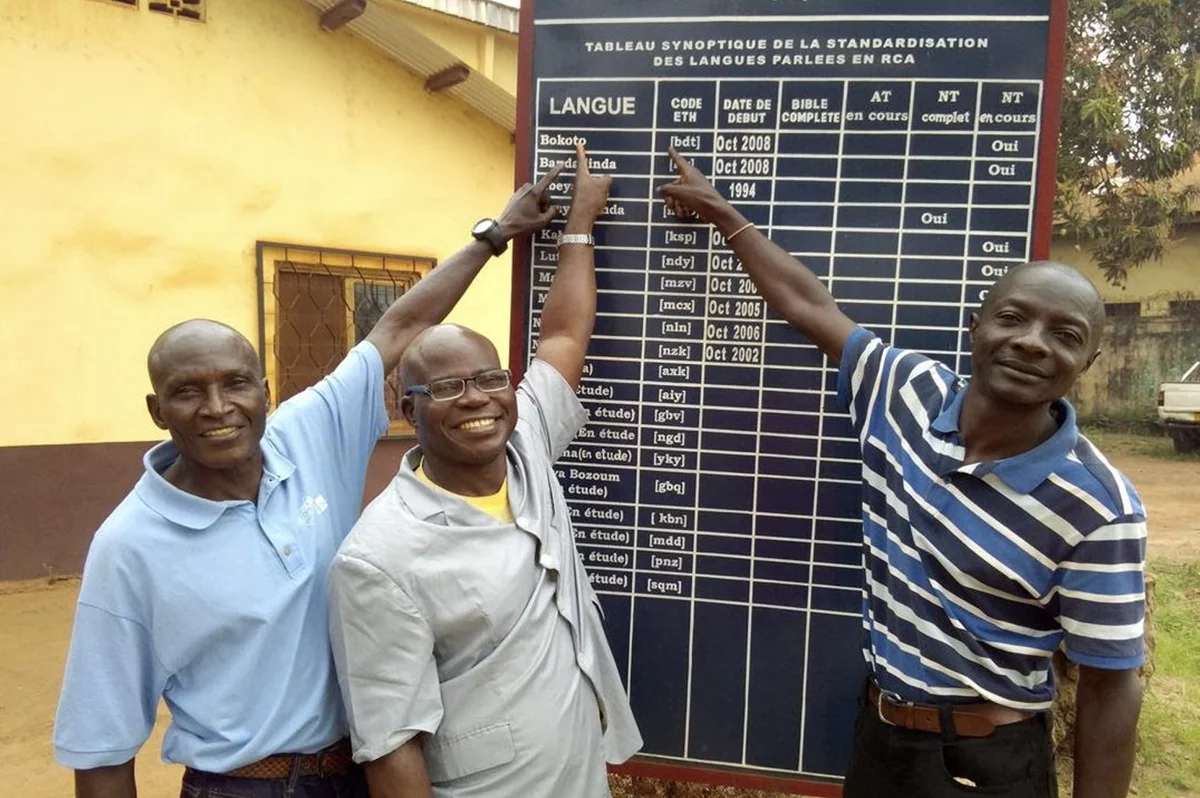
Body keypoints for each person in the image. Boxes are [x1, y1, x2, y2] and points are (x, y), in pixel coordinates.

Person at [53, 167, 566, 798]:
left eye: (235, 384)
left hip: (376, 768)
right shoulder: (128, 546)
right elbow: (101, 752)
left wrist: (495, 235)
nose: (217, 408)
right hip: (249, 787)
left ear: (266, 392)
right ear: (158, 412)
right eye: (188, 392)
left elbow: (399, 327)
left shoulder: (308, 431)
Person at [658, 148, 1146, 798]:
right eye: (1013, 317)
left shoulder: (1098, 504)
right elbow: (809, 306)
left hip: (991, 763)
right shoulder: (905, 394)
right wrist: (725, 216)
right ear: (976, 327)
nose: (1033, 341)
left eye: (1064, 333)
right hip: (881, 738)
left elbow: (1111, 682)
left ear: (1086, 361)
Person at [325, 143, 642, 798]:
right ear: (403, 406)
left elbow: (560, 339)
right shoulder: (378, 559)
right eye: (445, 389)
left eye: (490, 379)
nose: (475, 399)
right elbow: (390, 747)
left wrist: (580, 222)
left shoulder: (525, 445)